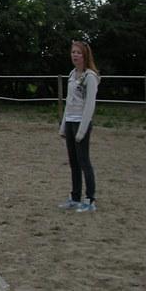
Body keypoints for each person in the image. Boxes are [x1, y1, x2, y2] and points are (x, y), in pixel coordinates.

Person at [58, 39, 99, 212]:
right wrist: (63, 126)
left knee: (84, 162)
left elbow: (89, 105)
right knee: (73, 162)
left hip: (81, 123)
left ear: (85, 56)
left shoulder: (90, 77)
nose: (75, 55)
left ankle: (90, 200)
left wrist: (81, 130)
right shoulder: (71, 75)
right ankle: (75, 197)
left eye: (78, 52)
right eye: (73, 52)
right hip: (70, 121)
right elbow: (68, 102)